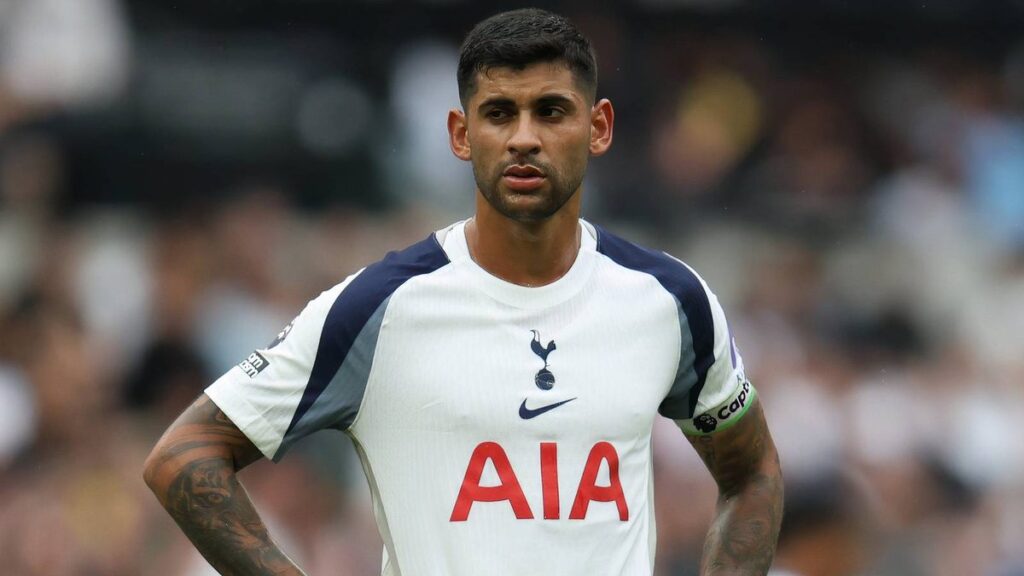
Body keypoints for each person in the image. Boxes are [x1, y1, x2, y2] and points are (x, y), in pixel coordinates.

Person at [143, 8, 783, 575]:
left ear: (599, 126)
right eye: (499, 113)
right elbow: (184, 456)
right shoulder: (381, 308)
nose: (524, 137)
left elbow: (752, 473)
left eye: (551, 111)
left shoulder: (667, 299)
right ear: (459, 134)